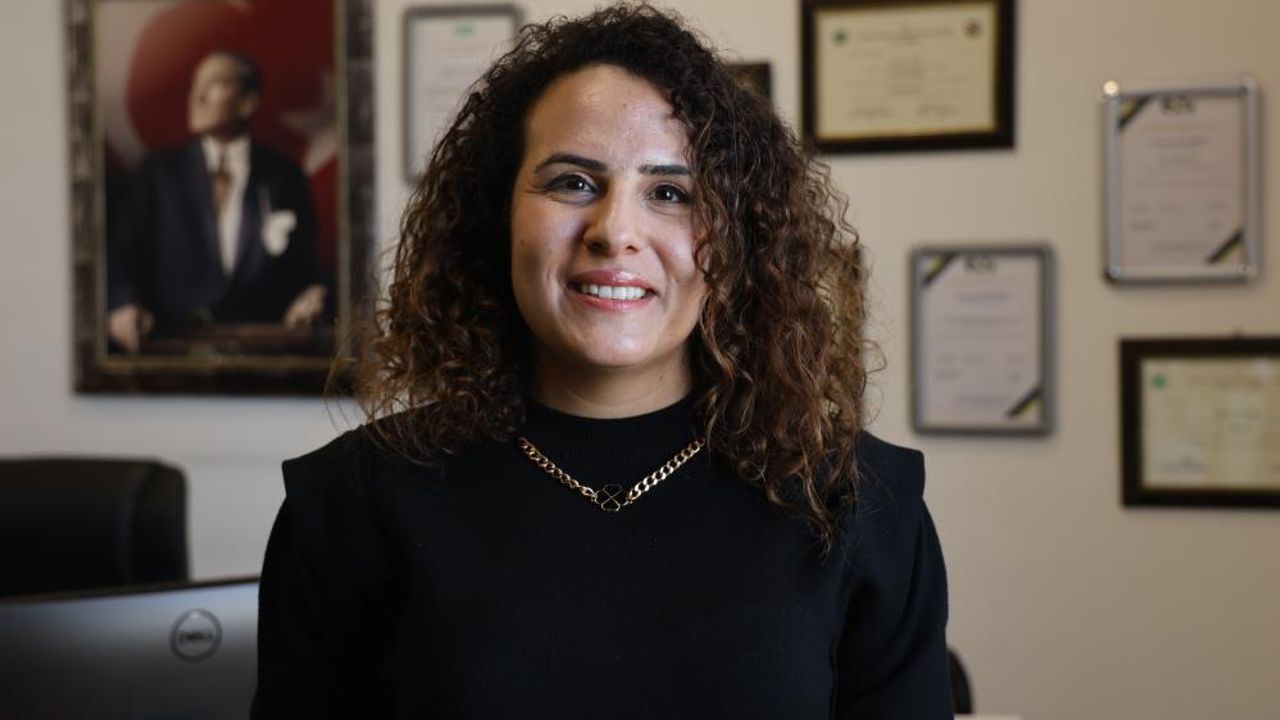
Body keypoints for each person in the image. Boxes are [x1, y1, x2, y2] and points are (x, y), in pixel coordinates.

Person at [254, 5, 950, 718]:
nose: (615, 231)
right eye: (573, 183)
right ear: (498, 216)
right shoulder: (350, 506)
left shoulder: (859, 505)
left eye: (670, 193)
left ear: (738, 242)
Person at [106, 50, 328, 353]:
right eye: (195, 86)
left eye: (214, 84)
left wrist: (310, 295)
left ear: (248, 102)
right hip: (172, 353)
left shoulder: (284, 176)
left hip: (260, 354)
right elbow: (122, 255)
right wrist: (122, 303)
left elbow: (305, 268)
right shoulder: (158, 174)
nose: (197, 97)